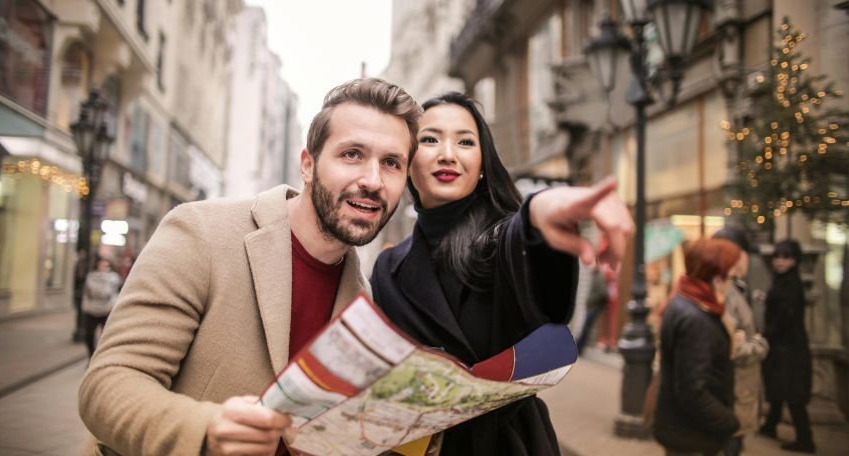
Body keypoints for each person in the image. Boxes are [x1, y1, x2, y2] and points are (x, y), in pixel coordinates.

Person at [78, 78, 421, 456]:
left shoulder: (362, 299)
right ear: (308, 165)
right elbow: (107, 385)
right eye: (352, 154)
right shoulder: (201, 231)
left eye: (391, 163)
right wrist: (206, 430)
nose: (372, 181)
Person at [370, 92, 634, 456]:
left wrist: (539, 212)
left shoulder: (502, 240)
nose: (448, 154)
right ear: (407, 159)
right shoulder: (388, 268)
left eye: (465, 142)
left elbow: (538, 274)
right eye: (430, 139)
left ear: (482, 163)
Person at [652, 238, 741, 456]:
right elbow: (692, 389)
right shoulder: (695, 318)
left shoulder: (684, 300)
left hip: (682, 429)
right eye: (731, 277)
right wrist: (729, 422)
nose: (733, 283)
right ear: (716, 278)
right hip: (692, 435)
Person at [712, 227, 769, 456]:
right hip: (733, 389)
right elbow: (730, 345)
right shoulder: (724, 290)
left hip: (739, 389)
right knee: (730, 442)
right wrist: (759, 345)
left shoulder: (736, 287)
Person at [758, 239, 815, 453]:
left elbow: (785, 316)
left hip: (789, 347)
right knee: (779, 389)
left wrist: (767, 336)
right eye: (777, 257)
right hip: (783, 345)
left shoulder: (790, 283)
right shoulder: (783, 280)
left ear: (794, 260)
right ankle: (770, 426)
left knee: (792, 393)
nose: (780, 262)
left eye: (785, 257)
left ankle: (805, 439)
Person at [81, 256, 122, 356]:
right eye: (102, 265)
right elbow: (87, 292)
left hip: (107, 310)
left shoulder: (114, 278)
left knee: (106, 335)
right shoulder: (91, 277)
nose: (103, 267)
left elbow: (116, 292)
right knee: (89, 335)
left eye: (106, 266)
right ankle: (91, 355)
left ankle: (103, 355)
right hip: (92, 309)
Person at [576, 266, 610, 354]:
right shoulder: (594, 276)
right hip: (592, 306)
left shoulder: (599, 277)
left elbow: (603, 292)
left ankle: (579, 347)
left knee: (586, 327)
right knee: (586, 327)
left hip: (595, 306)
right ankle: (579, 347)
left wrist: (594, 301)